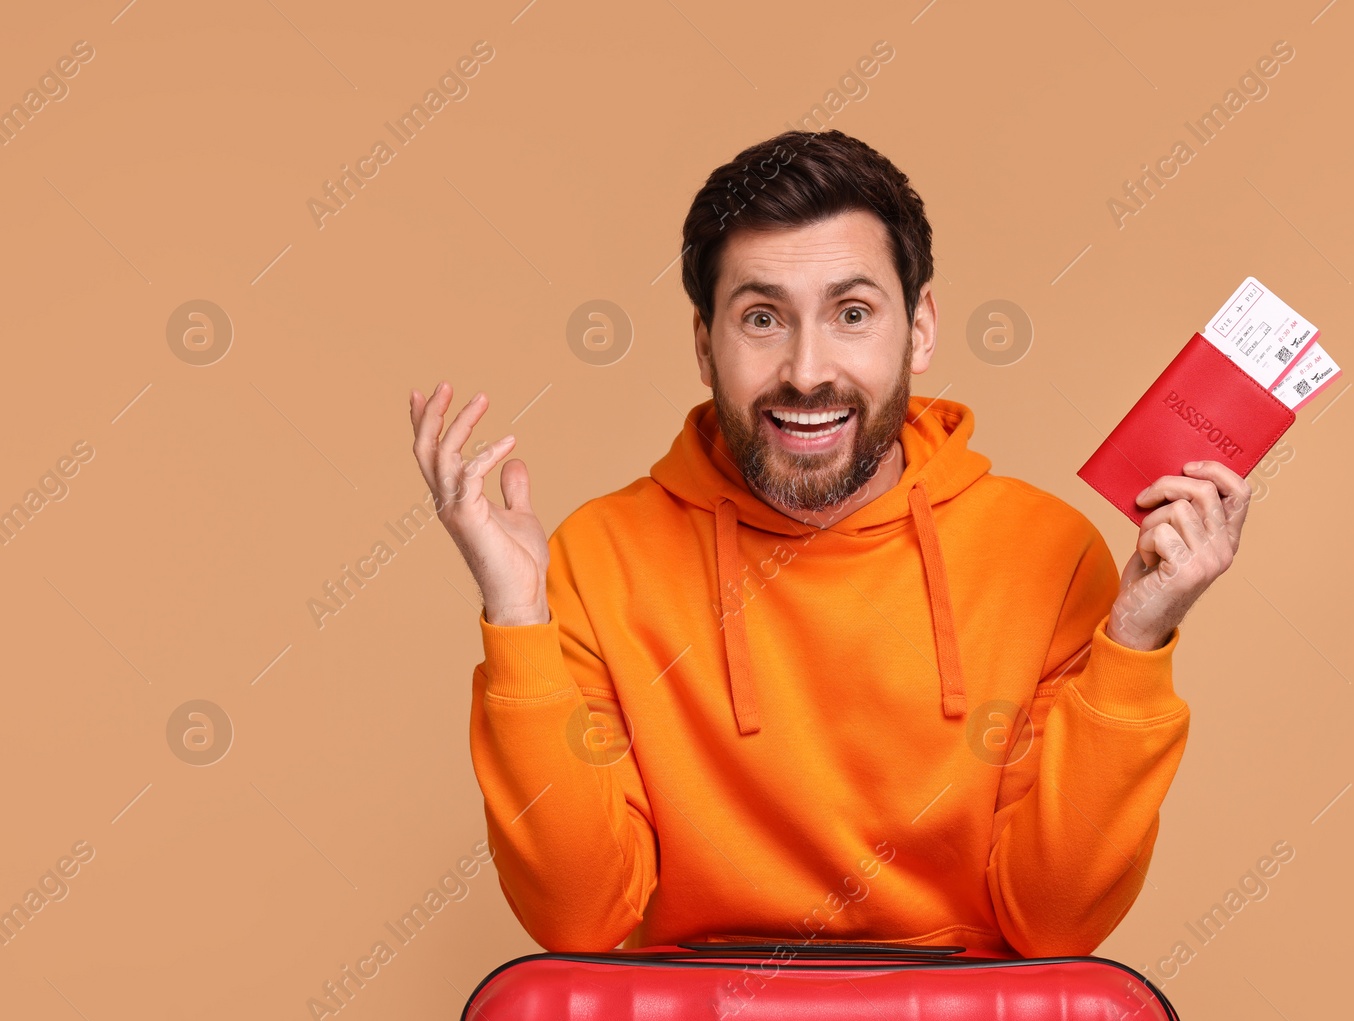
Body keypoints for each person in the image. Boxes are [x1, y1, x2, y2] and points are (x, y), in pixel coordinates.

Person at [407, 129, 1251, 958]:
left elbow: (1056, 921)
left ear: (919, 329)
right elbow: (577, 915)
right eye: (762, 318)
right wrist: (517, 619)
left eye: (852, 313)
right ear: (704, 344)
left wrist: (1134, 641)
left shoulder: (1048, 553)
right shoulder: (598, 558)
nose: (807, 370)